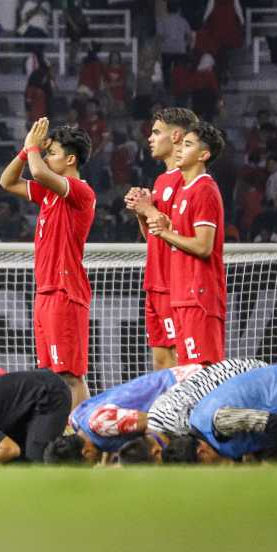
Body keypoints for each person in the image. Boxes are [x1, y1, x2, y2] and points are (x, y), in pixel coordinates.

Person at [0, 118, 95, 408]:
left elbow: (38, 171)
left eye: (51, 152)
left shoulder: (80, 191)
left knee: (70, 376)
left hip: (65, 292)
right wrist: (24, 151)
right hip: (46, 291)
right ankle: (65, 429)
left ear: (70, 159)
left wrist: (32, 148)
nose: (45, 157)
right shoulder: (50, 193)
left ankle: (79, 431)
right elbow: (7, 182)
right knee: (52, 375)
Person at [146, 121, 226, 365]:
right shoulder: (185, 191)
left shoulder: (205, 190)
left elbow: (203, 246)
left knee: (203, 372)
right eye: (180, 144)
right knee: (185, 373)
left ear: (204, 155)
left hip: (199, 296)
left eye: (188, 145)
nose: (179, 149)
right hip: (182, 296)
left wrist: (165, 232)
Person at [124, 107, 199, 370]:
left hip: (174, 284)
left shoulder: (187, 179)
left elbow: (183, 235)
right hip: (155, 282)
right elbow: (155, 237)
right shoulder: (161, 180)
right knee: (159, 361)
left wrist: (148, 209)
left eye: (157, 132)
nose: (150, 138)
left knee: (179, 361)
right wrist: (141, 212)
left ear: (176, 135)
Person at [43, 364, 203, 464]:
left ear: (86, 453)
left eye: (88, 466)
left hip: (187, 387)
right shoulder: (76, 419)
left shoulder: (99, 423)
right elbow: (111, 437)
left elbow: (154, 421)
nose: (93, 467)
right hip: (178, 384)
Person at [188, 364, 277, 464]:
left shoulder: (221, 420)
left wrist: (269, 465)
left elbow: (276, 424)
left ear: (201, 452)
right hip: (276, 406)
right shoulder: (200, 426)